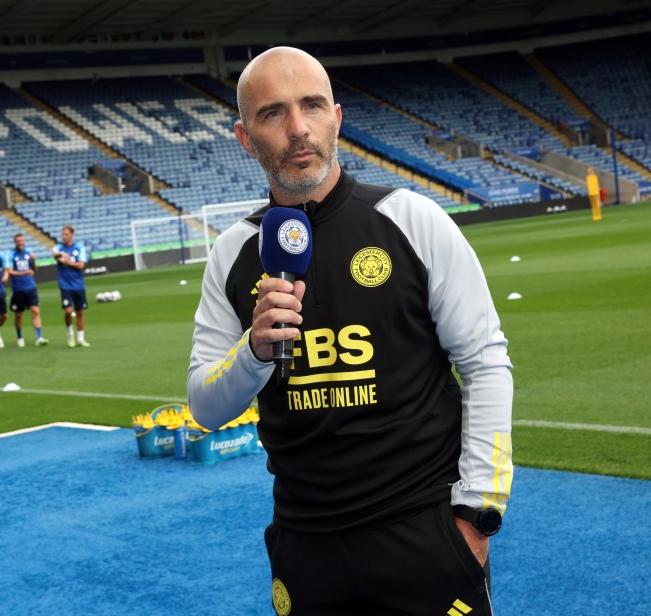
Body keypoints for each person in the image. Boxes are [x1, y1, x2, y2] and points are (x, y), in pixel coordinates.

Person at [187, 47, 513, 615]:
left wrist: (477, 513)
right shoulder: (232, 253)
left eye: (312, 106)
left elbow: (485, 361)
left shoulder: (411, 218)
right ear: (244, 136)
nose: (297, 128)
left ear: (336, 116)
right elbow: (204, 406)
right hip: (306, 545)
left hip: (423, 534)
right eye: (273, 114)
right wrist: (255, 350)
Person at [6, 233, 48, 347]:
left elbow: (34, 269)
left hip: (30, 287)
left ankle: (39, 337)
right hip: (18, 289)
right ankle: (20, 336)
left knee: (35, 311)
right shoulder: (11, 254)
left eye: (22, 241)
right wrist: (24, 273)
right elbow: (10, 271)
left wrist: (34, 261)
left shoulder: (29, 252)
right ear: (15, 242)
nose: (20, 243)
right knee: (18, 315)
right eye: (18, 241)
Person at [53, 225, 89, 348]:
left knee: (80, 312)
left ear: (72, 235)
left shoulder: (79, 247)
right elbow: (56, 254)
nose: (64, 236)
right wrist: (62, 257)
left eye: (66, 234)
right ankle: (69, 332)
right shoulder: (59, 247)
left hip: (78, 284)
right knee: (68, 311)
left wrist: (67, 261)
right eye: (63, 234)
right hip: (65, 285)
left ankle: (80, 339)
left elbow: (80, 265)